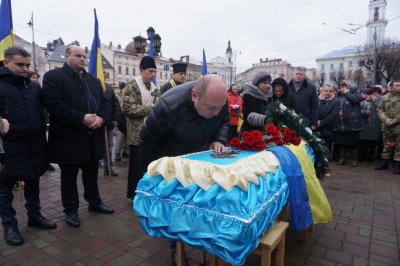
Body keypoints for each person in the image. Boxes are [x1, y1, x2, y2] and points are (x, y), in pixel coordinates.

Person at [138, 74, 229, 266]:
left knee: (201, 204)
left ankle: (204, 239)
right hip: (173, 163)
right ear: (195, 95)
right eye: (212, 107)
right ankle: (175, 249)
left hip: (201, 159)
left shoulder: (218, 101)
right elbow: (147, 143)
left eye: (220, 106)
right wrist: (150, 179)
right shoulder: (168, 106)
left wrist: (219, 139)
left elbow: (223, 120)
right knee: (175, 210)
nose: (216, 112)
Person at [42, 45, 113, 228]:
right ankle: (71, 210)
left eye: (84, 56)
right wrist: (81, 118)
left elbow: (106, 104)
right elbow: (54, 105)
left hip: (93, 137)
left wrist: (103, 118)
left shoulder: (93, 80)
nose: (83, 59)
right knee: (69, 177)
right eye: (78, 55)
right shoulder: (53, 77)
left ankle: (94, 202)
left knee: (91, 174)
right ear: (66, 56)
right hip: (69, 138)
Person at [0, 46, 57, 246]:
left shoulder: (33, 87)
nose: (25, 69)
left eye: (27, 65)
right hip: (7, 149)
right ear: (6, 63)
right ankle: (9, 226)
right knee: (4, 189)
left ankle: (35, 216)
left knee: (34, 181)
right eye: (20, 65)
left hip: (34, 145)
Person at [121, 56, 157, 199]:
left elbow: (157, 104)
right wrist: (149, 108)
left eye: (154, 71)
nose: (153, 75)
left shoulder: (154, 88)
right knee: (137, 167)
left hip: (151, 133)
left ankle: (147, 192)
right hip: (137, 134)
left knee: (149, 165)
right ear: (141, 70)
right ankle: (135, 194)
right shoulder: (132, 86)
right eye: (150, 71)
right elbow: (127, 108)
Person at [29, 71, 56, 172]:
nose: (35, 79)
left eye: (37, 77)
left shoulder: (40, 90)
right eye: (33, 77)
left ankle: (46, 162)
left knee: (42, 143)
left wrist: (44, 113)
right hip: (30, 121)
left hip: (41, 120)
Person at [334, 82, 363, 167]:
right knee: (341, 142)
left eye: (344, 87)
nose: (342, 89)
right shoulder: (339, 96)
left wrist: (347, 93)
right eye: (341, 87)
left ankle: (354, 160)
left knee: (353, 142)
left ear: (348, 87)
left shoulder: (355, 93)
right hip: (341, 123)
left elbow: (355, 100)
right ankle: (342, 158)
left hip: (352, 123)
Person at [375, 80, 400, 174]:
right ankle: (384, 162)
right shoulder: (385, 97)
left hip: (398, 126)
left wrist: (394, 121)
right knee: (386, 145)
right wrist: (385, 119)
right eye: (397, 85)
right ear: (392, 87)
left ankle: (397, 164)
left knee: (399, 146)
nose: (399, 87)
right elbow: (379, 110)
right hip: (387, 126)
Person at [103, 78, 122, 177]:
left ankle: (108, 168)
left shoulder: (109, 87)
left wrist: (117, 119)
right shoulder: (89, 85)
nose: (105, 74)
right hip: (92, 124)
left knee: (108, 147)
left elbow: (115, 104)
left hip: (108, 123)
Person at [359, 87, 382, 162]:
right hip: (365, 124)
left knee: (373, 142)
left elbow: (381, 108)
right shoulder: (365, 101)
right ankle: (362, 155)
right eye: (372, 94)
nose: (374, 96)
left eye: (376, 94)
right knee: (363, 142)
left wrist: (375, 100)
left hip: (375, 124)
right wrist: (364, 112)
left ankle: (370, 156)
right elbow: (359, 110)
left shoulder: (381, 101)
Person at [316, 84, 340, 156]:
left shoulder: (336, 101)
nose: (328, 92)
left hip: (328, 128)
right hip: (316, 128)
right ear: (323, 91)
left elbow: (333, 115)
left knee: (325, 149)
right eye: (326, 90)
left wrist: (321, 123)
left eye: (330, 91)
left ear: (333, 92)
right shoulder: (317, 99)